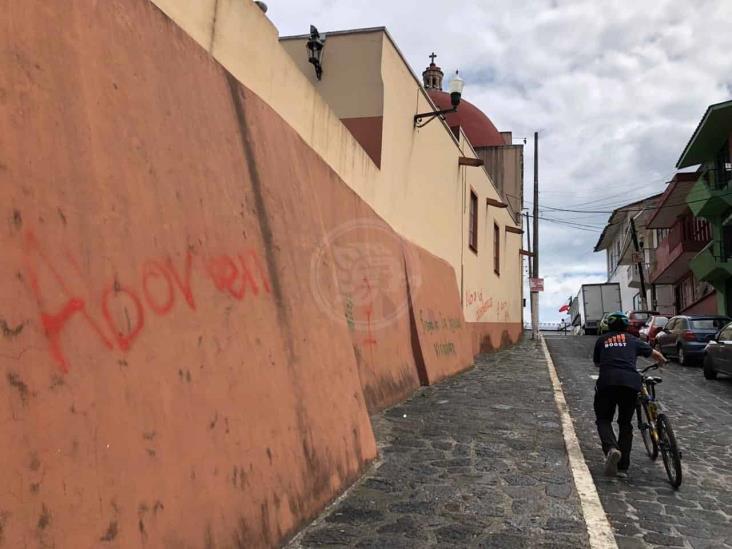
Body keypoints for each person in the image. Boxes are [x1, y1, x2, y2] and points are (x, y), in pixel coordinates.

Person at [592, 311, 666, 477]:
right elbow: (656, 355)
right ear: (626, 326)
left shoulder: (601, 340)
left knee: (603, 419)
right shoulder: (633, 340)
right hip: (630, 384)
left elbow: (597, 363)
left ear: (608, 326)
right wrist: (662, 362)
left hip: (607, 383)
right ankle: (623, 467)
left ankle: (611, 448)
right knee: (625, 423)